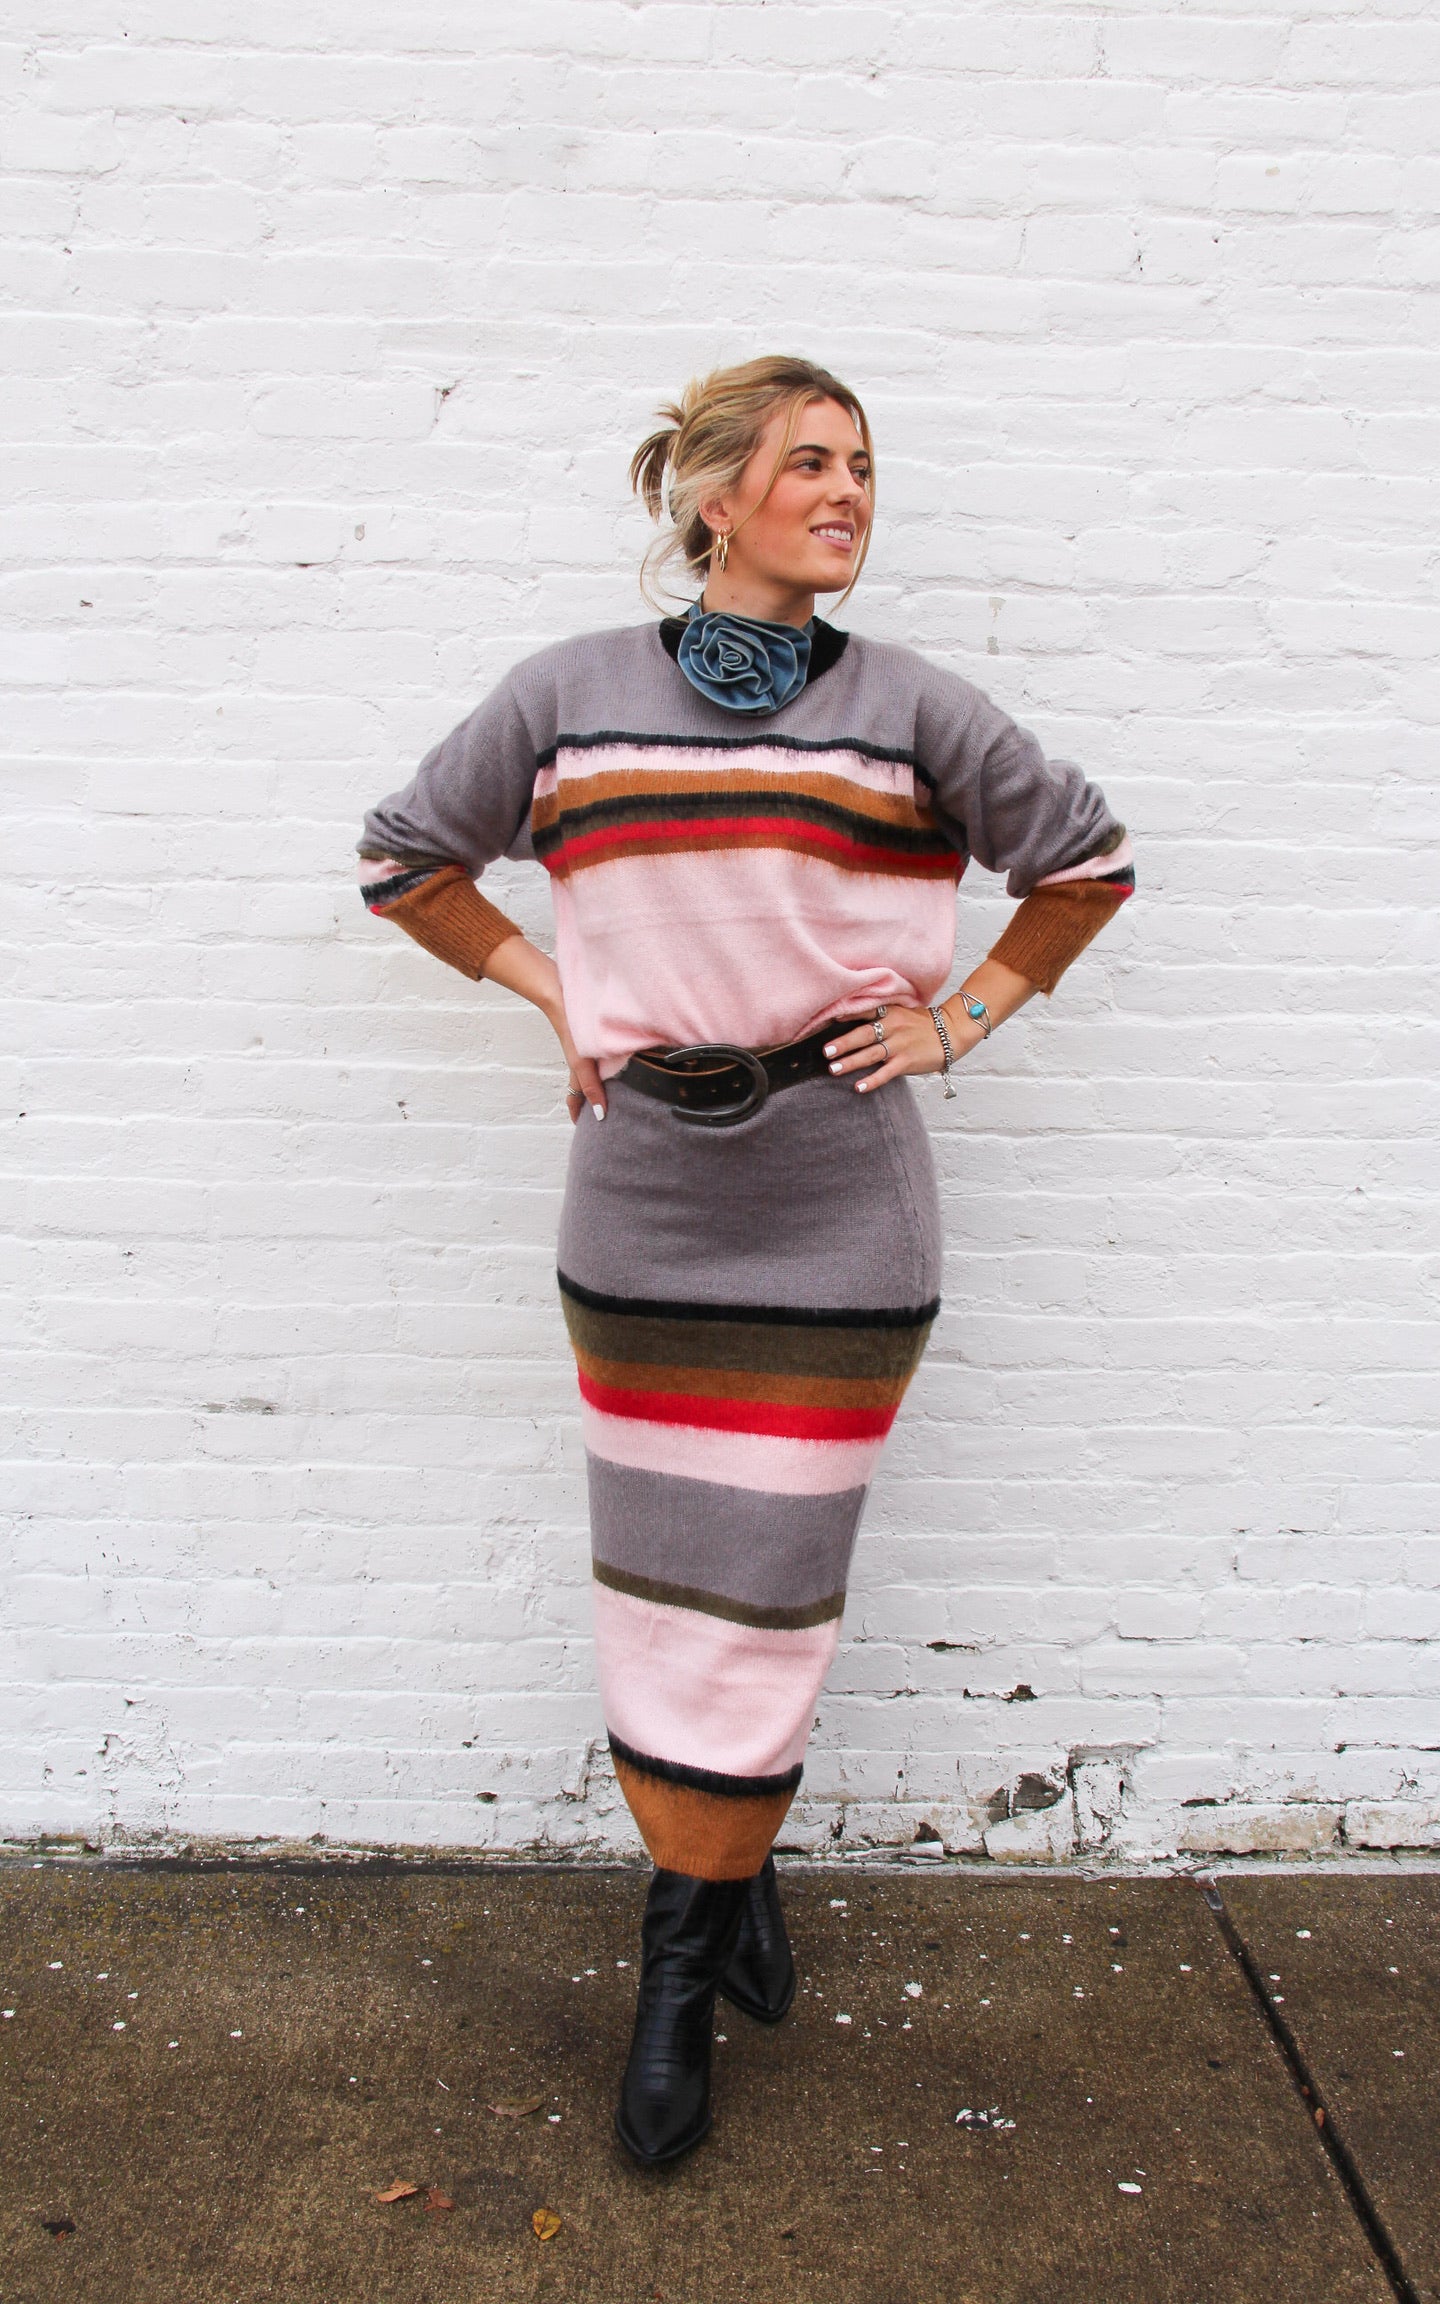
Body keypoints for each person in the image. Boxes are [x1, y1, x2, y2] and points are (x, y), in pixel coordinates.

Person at [357, 355, 1133, 2165]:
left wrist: (960, 1020)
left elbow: (1083, 863)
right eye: (810, 463)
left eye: (863, 466)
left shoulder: (912, 707)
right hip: (640, 1205)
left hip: (841, 1203)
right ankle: (731, 1861)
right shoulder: (568, 697)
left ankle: (676, 1973)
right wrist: (560, 990)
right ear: (715, 498)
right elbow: (406, 861)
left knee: (768, 1587)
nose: (848, 493)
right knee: (663, 1583)